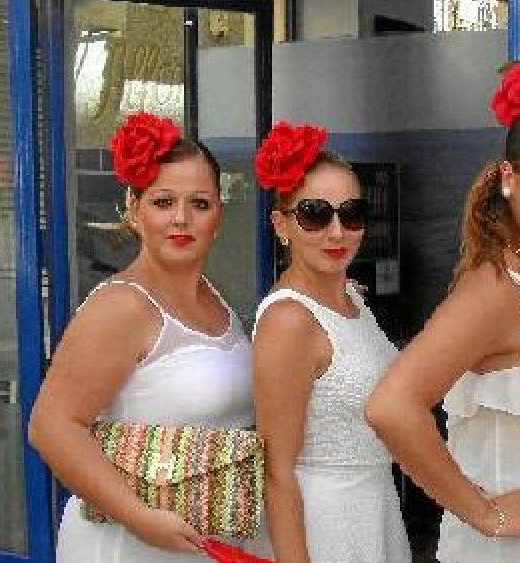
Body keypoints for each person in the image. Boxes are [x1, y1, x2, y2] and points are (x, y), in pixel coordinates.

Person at [366, 55, 520, 563]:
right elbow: (391, 406)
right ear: (509, 178)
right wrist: (484, 512)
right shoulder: (496, 288)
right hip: (507, 549)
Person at [29, 112, 254, 562]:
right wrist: (137, 517)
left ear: (218, 217)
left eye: (200, 204)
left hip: (199, 537)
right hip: (130, 542)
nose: (181, 219)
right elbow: (51, 427)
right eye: (163, 202)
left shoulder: (215, 299)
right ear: (134, 210)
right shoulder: (122, 307)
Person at [247, 122, 410, 563]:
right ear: (281, 224)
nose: (337, 232)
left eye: (351, 213)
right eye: (315, 214)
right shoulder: (288, 321)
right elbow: (277, 470)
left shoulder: (353, 301)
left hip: (374, 508)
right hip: (322, 524)